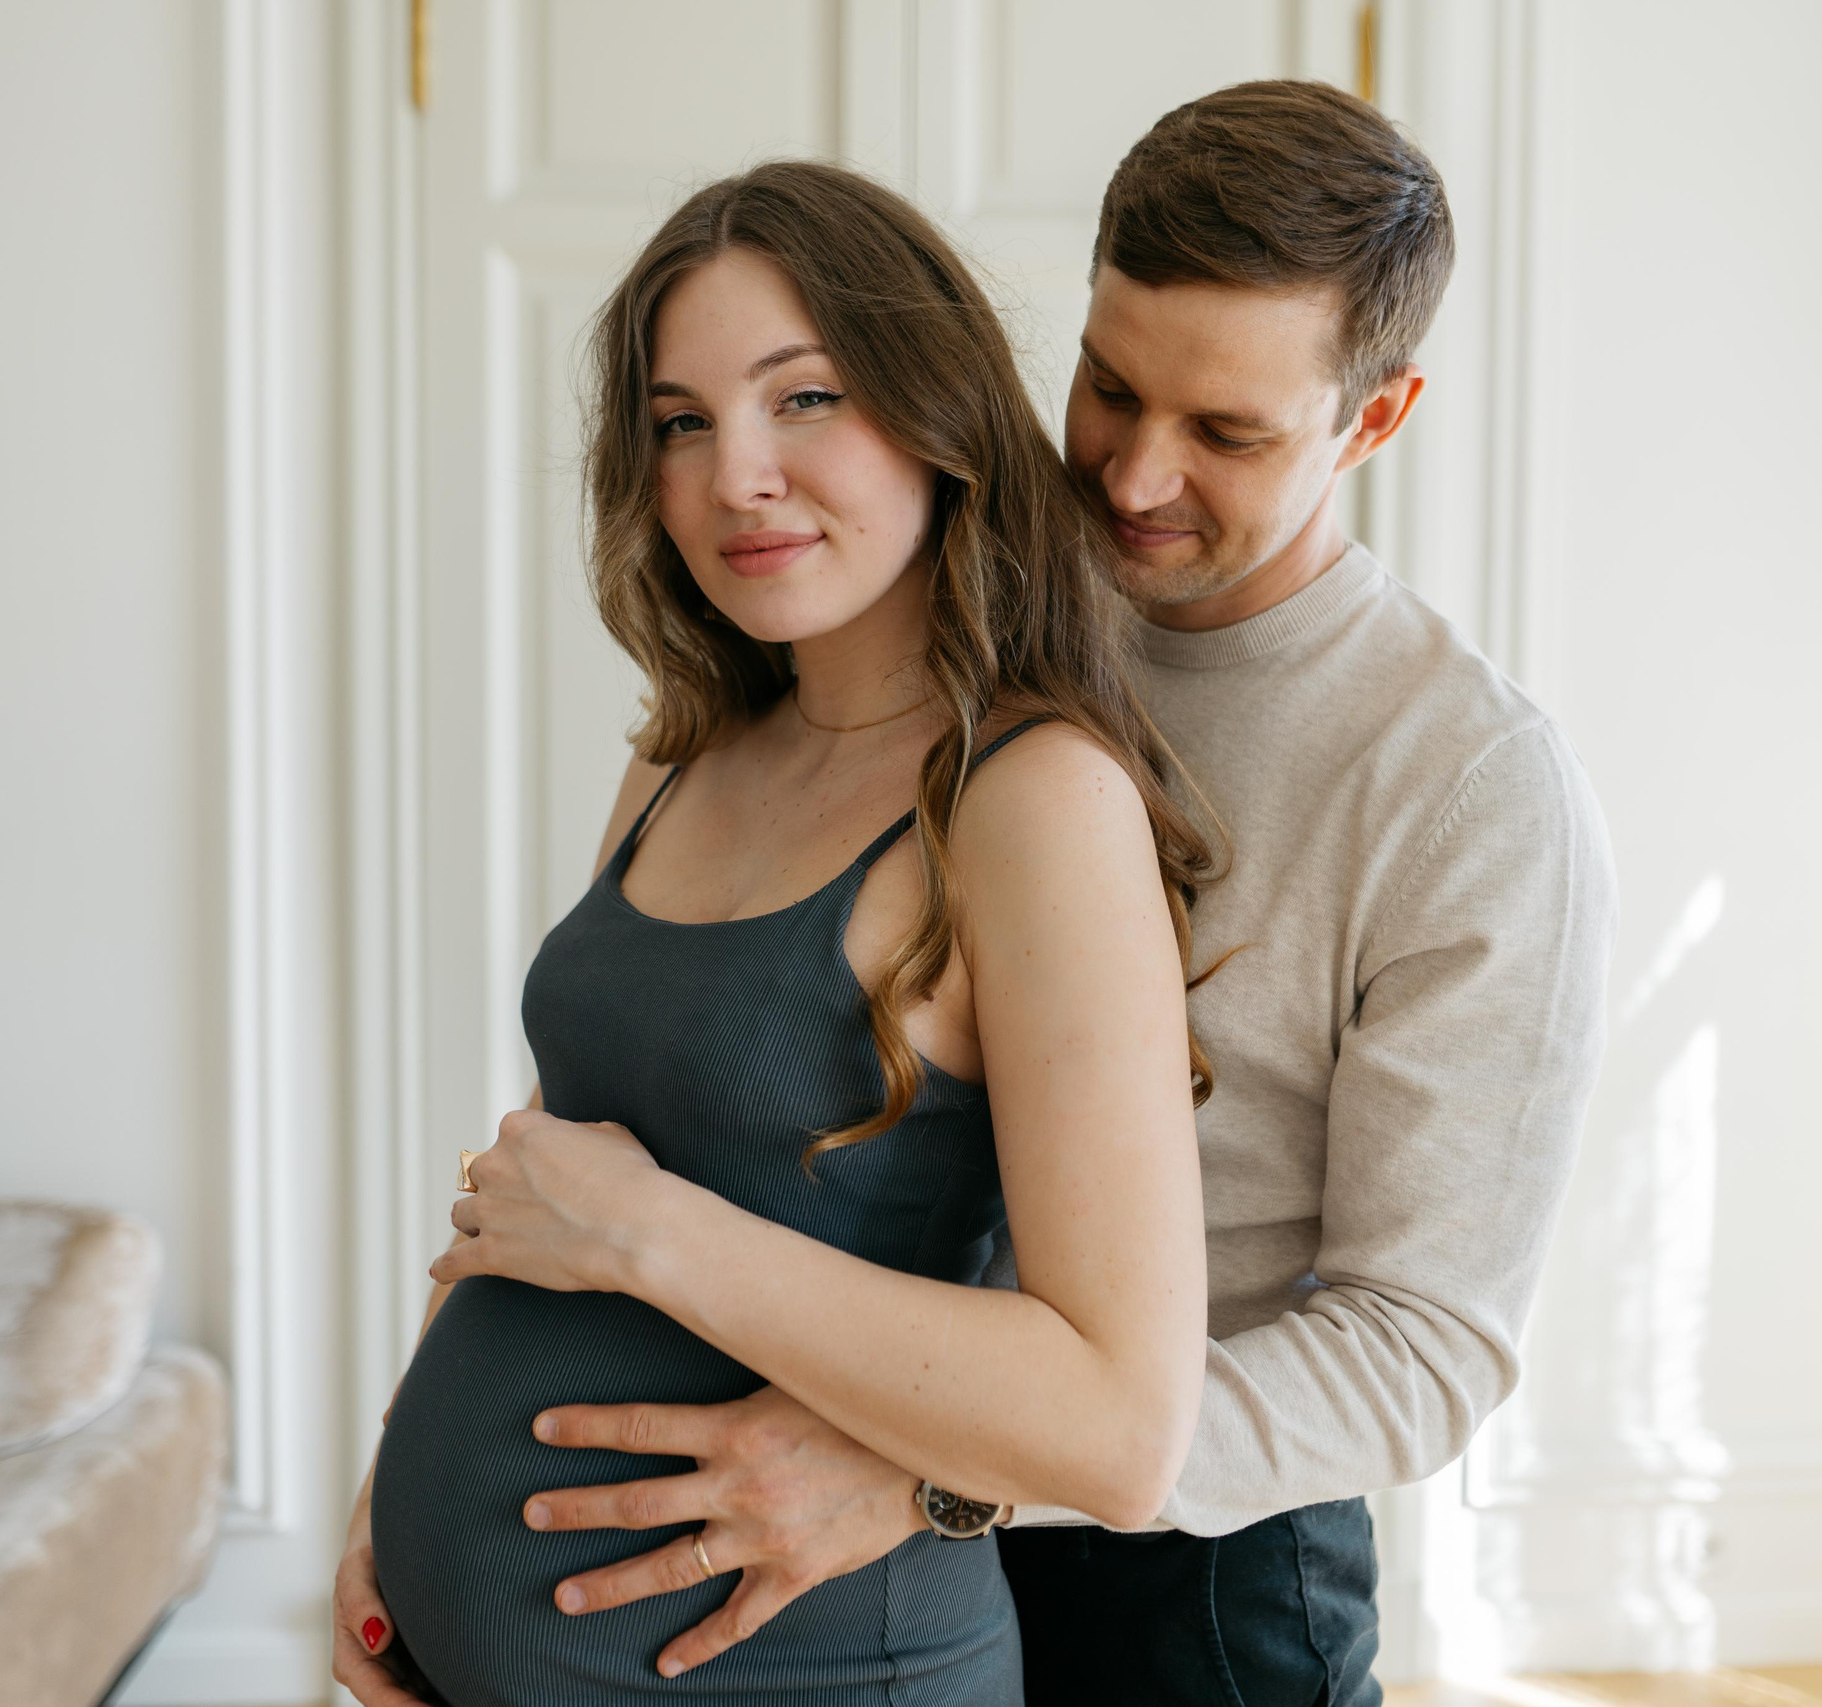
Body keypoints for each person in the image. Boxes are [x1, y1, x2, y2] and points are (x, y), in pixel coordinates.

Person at [485, 81, 1618, 1706]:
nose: (1137, 477)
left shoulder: (1467, 782)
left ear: (1377, 418)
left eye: (1227, 433)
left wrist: (949, 1470)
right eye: (1106, 388)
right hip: (797, 1470)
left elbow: (1423, 1346)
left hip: (1178, 1577)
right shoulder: (934, 603)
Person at [331, 161, 1225, 1706]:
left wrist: (655, 1240)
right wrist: (388, 1500)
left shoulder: (1036, 804)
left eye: (800, 399)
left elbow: (1122, 1427)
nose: (733, 472)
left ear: (938, 413)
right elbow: (553, 1170)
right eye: (681, 422)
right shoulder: (686, 751)